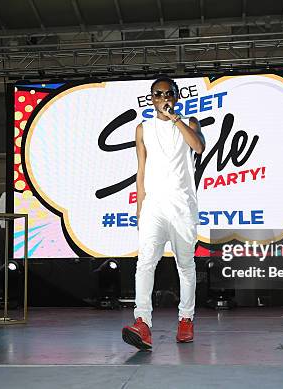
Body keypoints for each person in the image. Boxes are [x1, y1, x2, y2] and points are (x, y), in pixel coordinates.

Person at [122, 76, 205, 350]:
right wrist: (139, 208)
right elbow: (141, 170)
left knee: (186, 265)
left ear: (176, 96)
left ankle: (186, 319)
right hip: (154, 206)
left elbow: (199, 147)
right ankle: (142, 322)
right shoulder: (142, 129)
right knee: (145, 263)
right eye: (158, 94)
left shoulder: (190, 123)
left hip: (182, 206)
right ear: (152, 98)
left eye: (168, 94)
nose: (163, 98)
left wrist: (176, 119)